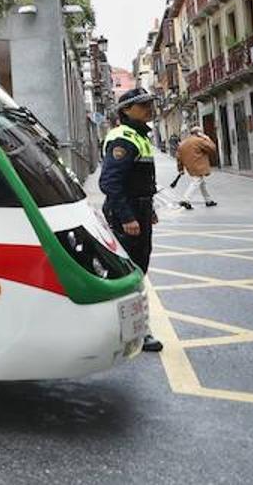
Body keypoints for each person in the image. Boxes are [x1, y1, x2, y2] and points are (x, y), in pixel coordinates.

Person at [99, 88, 162, 353]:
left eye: (149, 103)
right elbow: (110, 183)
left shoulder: (138, 136)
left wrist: (149, 210)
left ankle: (128, 326)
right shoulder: (123, 139)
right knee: (131, 273)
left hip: (139, 211)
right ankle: (138, 330)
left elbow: (140, 181)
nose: (148, 108)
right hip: (128, 214)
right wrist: (127, 217)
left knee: (138, 268)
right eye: (142, 104)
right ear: (126, 110)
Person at [175, 126, 219, 210]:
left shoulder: (183, 143)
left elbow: (178, 157)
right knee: (196, 181)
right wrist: (207, 138)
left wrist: (180, 169)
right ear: (198, 133)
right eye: (201, 132)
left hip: (190, 167)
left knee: (202, 183)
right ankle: (185, 200)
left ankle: (208, 200)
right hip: (199, 166)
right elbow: (212, 148)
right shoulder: (199, 141)